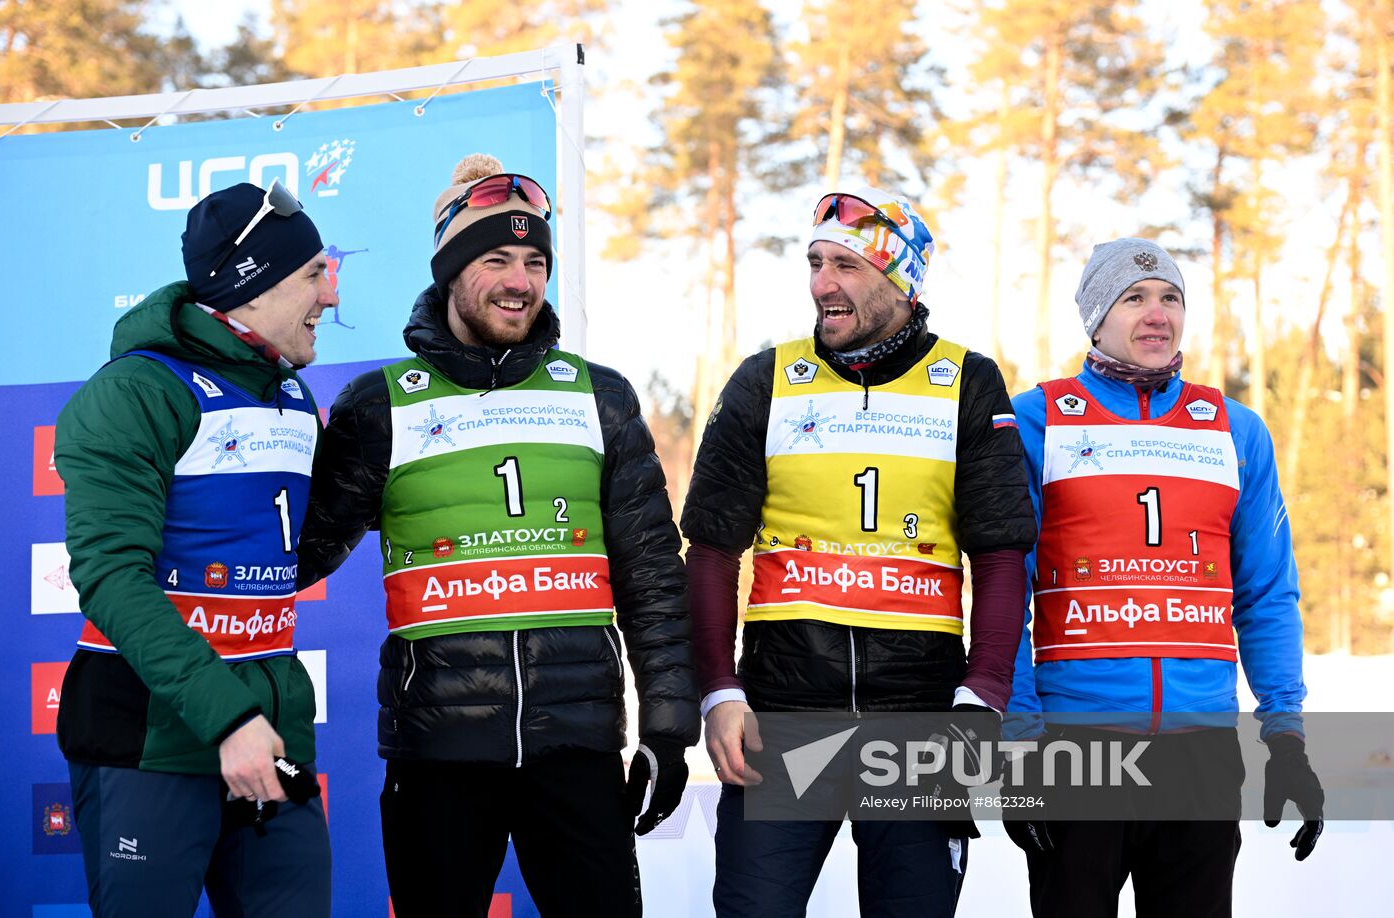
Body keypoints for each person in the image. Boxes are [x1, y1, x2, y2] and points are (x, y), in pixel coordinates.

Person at [295, 153, 699, 917]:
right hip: (438, 755)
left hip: (576, 748)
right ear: (451, 269)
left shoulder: (598, 396)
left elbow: (652, 576)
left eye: (535, 261)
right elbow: (298, 553)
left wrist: (670, 727)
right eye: (496, 259)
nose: (520, 280)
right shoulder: (378, 406)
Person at [681, 185, 1038, 917]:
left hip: (918, 721)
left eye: (845, 264)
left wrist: (982, 701)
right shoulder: (765, 379)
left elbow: (1000, 557)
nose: (822, 284)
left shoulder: (968, 381)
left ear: (900, 280)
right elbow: (713, 550)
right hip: (779, 719)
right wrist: (719, 690)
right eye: (814, 262)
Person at [1004, 237, 1324, 917]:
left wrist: (1286, 737)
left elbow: (1267, 596)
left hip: (1199, 754)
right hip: (1078, 747)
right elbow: (1005, 592)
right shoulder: (1037, 420)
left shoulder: (1236, 430)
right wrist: (1022, 740)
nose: (1157, 314)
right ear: (1096, 316)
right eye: (1134, 297)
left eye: (1171, 297)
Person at [56, 181, 337, 916]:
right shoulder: (135, 393)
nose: (331, 295)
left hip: (270, 742)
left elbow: (284, 558)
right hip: (152, 744)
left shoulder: (292, 395)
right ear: (255, 285)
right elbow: (113, 578)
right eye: (314, 272)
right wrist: (228, 719)